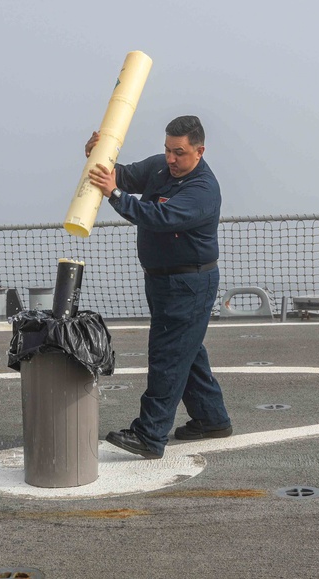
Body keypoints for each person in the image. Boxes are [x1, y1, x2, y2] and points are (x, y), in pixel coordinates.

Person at [85, 115, 232, 459]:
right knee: (187, 352)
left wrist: (115, 195)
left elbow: (157, 217)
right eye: (167, 150)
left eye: (178, 152)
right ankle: (212, 419)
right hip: (163, 279)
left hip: (189, 283)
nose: (170, 159)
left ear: (199, 152)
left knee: (167, 355)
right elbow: (119, 173)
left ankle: (150, 435)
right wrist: (97, 154)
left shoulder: (203, 189)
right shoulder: (159, 168)